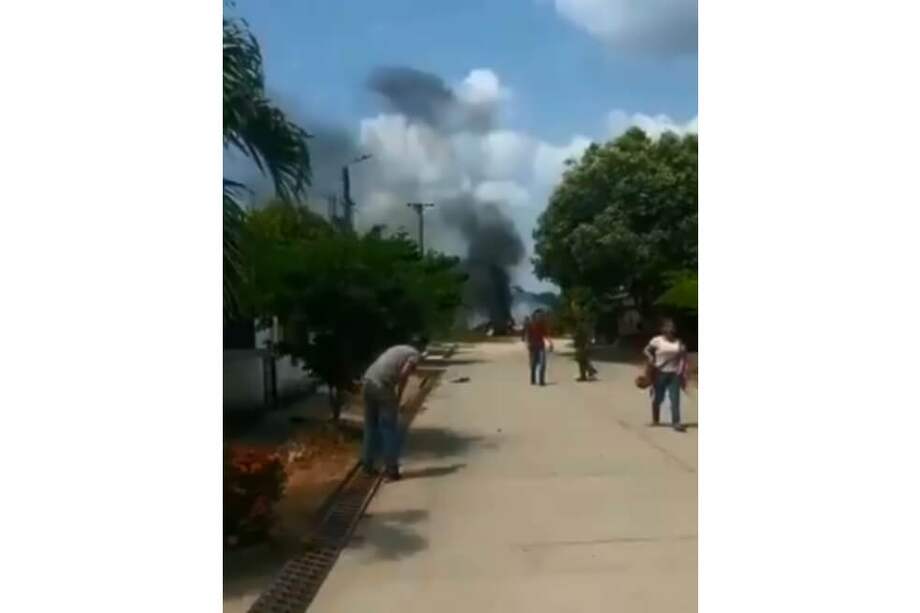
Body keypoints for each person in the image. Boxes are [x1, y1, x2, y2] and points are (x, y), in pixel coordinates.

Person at [360, 337, 427, 480]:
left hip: (367, 382)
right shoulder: (415, 354)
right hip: (383, 386)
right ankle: (392, 471)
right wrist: (397, 397)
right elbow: (404, 374)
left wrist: (398, 396)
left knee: (370, 427)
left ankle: (367, 467)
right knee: (388, 429)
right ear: (421, 346)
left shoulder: (397, 348)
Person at [643, 319, 688, 432]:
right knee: (659, 398)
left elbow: (683, 357)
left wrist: (682, 371)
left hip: (674, 374)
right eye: (668, 327)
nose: (670, 330)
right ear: (663, 329)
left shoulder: (678, 342)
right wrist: (651, 358)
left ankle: (676, 422)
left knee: (675, 399)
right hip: (660, 372)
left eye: (672, 328)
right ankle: (655, 416)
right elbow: (646, 350)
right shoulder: (657, 340)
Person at [524, 309, 554, 385]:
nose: (540, 317)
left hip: (541, 346)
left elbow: (546, 335)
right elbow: (527, 335)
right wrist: (527, 343)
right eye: (539, 315)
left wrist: (550, 343)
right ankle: (533, 379)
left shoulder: (542, 325)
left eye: (541, 316)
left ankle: (541, 380)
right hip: (533, 346)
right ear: (535, 316)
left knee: (543, 363)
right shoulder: (530, 324)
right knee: (533, 364)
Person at [573, 316, 598, 382]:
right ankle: (588, 372)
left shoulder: (580, 326)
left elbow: (577, 336)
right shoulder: (588, 326)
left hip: (582, 345)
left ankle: (588, 372)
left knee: (581, 360)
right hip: (586, 345)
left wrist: (576, 343)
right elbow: (591, 336)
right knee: (583, 360)